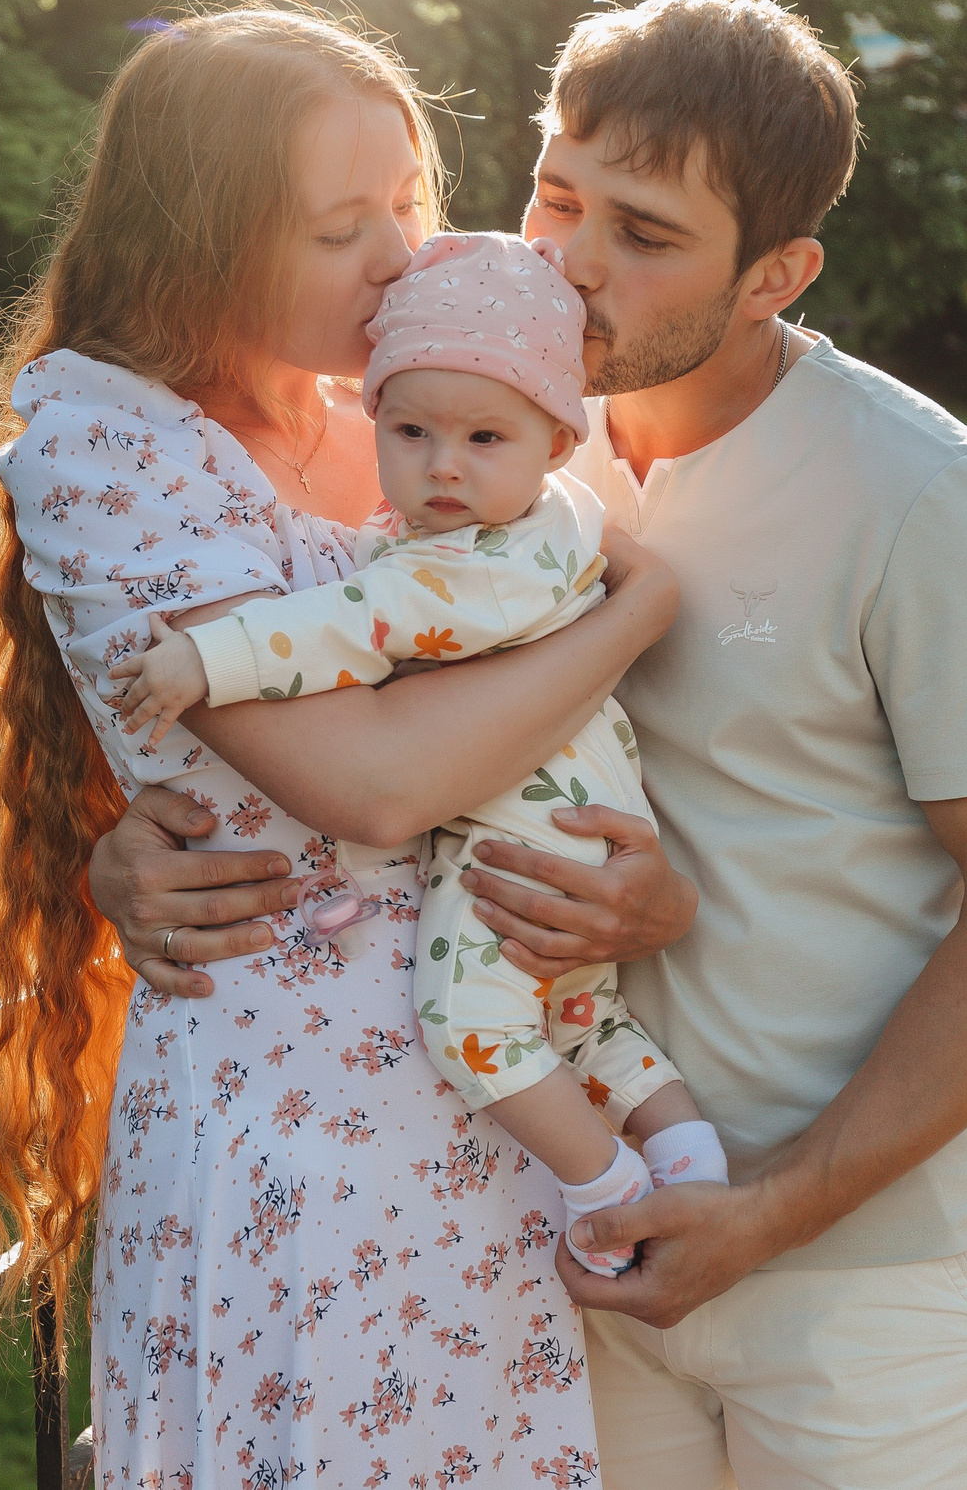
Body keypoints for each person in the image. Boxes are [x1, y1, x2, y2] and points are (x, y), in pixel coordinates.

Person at [85, 0, 967, 1489]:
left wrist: (770, 1210)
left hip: (852, 1281)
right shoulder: (468, 449)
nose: (570, 259)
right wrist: (122, 847)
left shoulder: (926, 498)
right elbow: (320, 702)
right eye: (559, 195)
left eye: (646, 232)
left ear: (776, 273)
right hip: (554, 1245)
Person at [0, 3, 695, 1488]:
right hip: (298, 1127)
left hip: (491, 1087)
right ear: (199, 242)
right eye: (345, 228)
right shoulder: (110, 444)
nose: (401, 254)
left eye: (406, 202)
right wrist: (629, 609)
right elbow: (375, 784)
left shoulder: (419, 411)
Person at [107, 229, 728, 1277]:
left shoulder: (477, 567)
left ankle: (609, 1195)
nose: (442, 465)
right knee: (580, 1026)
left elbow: (358, 620)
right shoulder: (549, 523)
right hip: (570, 842)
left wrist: (207, 660)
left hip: (525, 846)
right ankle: (688, 1157)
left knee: (467, 1019)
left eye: (484, 439)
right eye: (410, 431)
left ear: (553, 445)